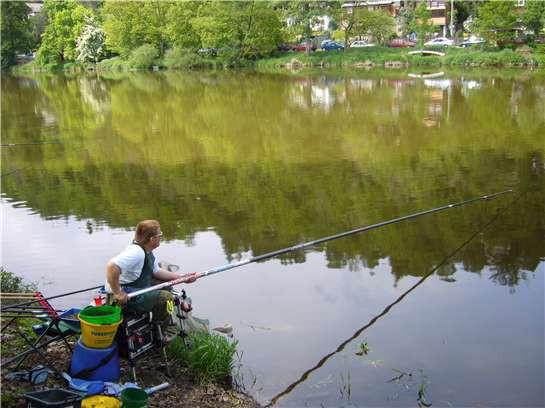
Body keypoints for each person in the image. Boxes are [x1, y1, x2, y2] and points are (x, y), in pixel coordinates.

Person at [105, 219, 197, 322]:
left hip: (137, 288)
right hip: (127, 295)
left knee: (165, 284)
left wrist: (182, 278)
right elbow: (111, 266)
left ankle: (156, 320)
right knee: (166, 297)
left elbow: (156, 271)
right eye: (160, 235)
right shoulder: (137, 253)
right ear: (152, 239)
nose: (161, 238)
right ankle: (159, 329)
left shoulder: (147, 250)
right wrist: (118, 293)